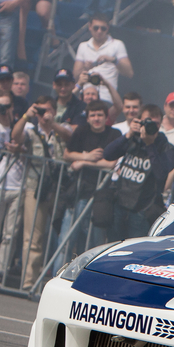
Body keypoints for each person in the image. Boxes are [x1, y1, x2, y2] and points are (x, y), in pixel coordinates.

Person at [10, 93, 64, 289]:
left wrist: (52, 124)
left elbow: (71, 137)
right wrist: (27, 115)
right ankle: (29, 282)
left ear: (54, 111)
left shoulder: (60, 131)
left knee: (61, 237)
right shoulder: (31, 131)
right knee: (33, 236)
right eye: (41, 110)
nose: (44, 115)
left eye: (47, 110)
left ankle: (57, 281)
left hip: (59, 189)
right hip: (36, 188)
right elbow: (15, 136)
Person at [103, 103, 174, 239]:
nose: (152, 126)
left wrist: (150, 145)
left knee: (134, 248)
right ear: (139, 122)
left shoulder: (165, 147)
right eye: (148, 122)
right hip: (120, 205)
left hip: (142, 210)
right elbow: (107, 154)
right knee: (113, 246)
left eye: (156, 123)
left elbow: (161, 175)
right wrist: (129, 134)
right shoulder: (133, 139)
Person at [57, 99, 118, 264]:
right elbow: (67, 154)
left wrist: (84, 162)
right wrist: (87, 156)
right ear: (88, 118)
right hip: (78, 193)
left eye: (100, 115)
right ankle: (57, 275)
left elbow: (112, 164)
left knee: (95, 245)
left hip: (103, 197)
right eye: (93, 115)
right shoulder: (81, 131)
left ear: (106, 117)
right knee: (66, 240)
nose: (96, 118)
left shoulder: (114, 134)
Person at [0, 88, 24, 281]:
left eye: (6, 106)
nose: (3, 110)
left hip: (17, 187)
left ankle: (0, 271)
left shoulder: (21, 128)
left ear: (13, 107)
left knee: (10, 234)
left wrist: (19, 148)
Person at [73, 15, 133, 104]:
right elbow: (75, 77)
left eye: (103, 28)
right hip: (86, 97)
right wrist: (85, 68)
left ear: (107, 28)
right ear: (90, 27)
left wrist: (114, 60)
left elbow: (129, 73)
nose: (99, 31)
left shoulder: (117, 45)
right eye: (96, 28)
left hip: (106, 98)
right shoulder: (83, 46)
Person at [50, 68, 84, 139]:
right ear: (54, 85)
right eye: (59, 85)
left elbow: (76, 131)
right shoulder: (48, 104)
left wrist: (50, 124)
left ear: (73, 85)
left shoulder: (81, 107)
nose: (63, 88)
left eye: (66, 85)